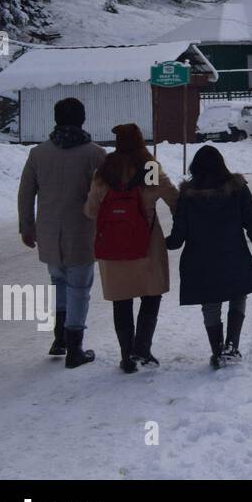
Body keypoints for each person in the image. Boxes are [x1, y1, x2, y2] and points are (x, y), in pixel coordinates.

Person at [17, 98, 107, 368]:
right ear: (82, 119)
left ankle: (59, 338)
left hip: (48, 232)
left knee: (58, 283)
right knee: (79, 288)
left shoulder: (38, 153)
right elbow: (105, 194)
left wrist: (27, 226)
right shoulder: (95, 154)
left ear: (55, 119)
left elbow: (25, 193)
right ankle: (75, 349)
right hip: (81, 232)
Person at [84, 124, 178, 374]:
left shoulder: (105, 171)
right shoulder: (147, 167)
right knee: (151, 294)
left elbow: (91, 210)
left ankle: (127, 357)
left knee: (121, 300)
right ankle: (142, 348)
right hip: (145, 242)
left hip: (113, 244)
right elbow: (172, 197)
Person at [166, 146, 252, 369]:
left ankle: (217, 350)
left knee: (211, 304)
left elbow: (178, 236)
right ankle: (231, 347)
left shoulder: (187, 195)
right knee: (238, 294)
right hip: (233, 253)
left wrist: (161, 242)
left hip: (200, 259)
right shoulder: (237, 189)